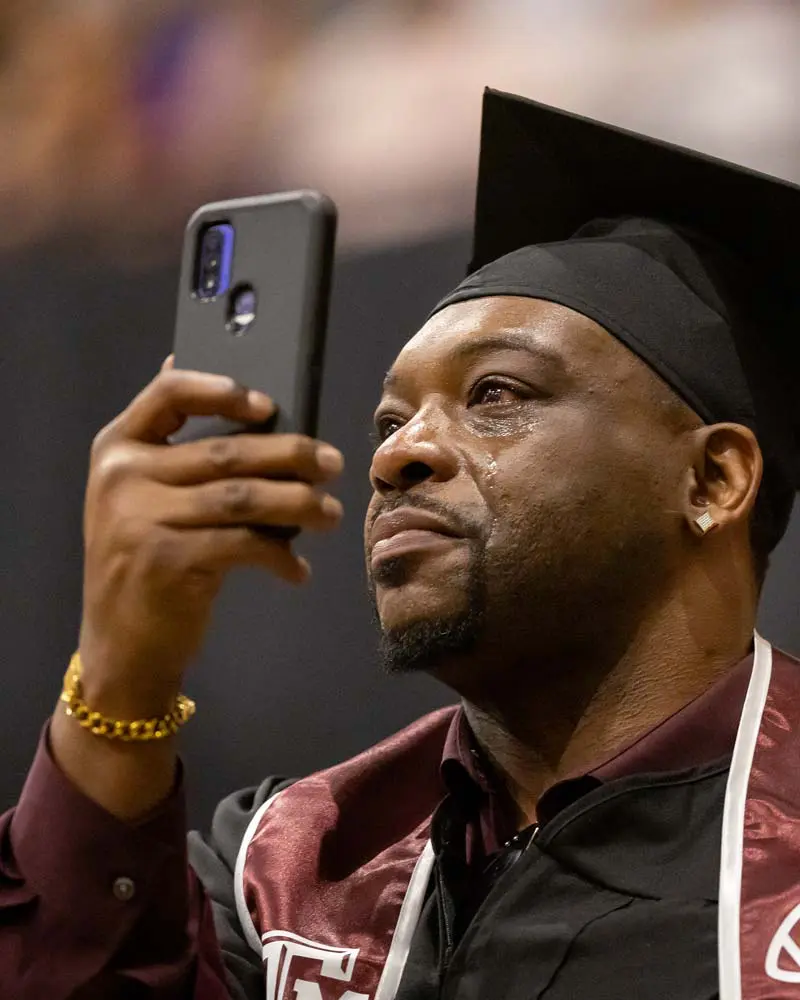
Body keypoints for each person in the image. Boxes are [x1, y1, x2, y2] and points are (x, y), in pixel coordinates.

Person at [1, 88, 799, 1000]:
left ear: (713, 482)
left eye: (495, 396)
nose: (396, 454)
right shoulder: (287, 874)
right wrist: (121, 668)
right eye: (389, 417)